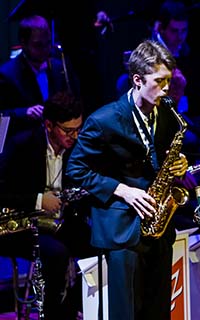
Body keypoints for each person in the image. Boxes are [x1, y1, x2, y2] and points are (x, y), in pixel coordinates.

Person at [66, 39, 189, 320]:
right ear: (137, 79)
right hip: (123, 229)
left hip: (159, 224)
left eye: (169, 80)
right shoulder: (104, 120)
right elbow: (75, 169)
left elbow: (163, 158)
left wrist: (179, 166)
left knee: (158, 311)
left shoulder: (168, 114)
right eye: (160, 81)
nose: (167, 89)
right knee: (126, 313)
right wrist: (123, 190)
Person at [0, 90, 92, 320]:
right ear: (49, 125)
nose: (76, 136)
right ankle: (53, 315)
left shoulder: (77, 149)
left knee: (100, 243)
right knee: (56, 254)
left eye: (78, 129)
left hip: (57, 223)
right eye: (69, 131)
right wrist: (39, 200)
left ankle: (72, 306)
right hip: (19, 225)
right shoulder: (22, 145)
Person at [0, 15, 79, 136]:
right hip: (25, 145)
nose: (45, 49)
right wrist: (25, 112)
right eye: (38, 45)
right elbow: (2, 114)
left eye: (47, 43)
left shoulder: (59, 67)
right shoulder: (8, 73)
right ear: (23, 43)